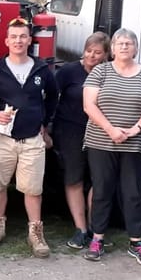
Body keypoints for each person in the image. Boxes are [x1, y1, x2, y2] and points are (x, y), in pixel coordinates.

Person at [80, 29, 141, 266]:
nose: (124, 47)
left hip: (137, 143)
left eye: (129, 43)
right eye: (120, 43)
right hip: (101, 141)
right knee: (102, 190)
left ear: (136, 48)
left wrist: (135, 129)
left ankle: (136, 241)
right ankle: (97, 239)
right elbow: (89, 105)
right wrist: (111, 130)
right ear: (113, 48)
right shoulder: (100, 71)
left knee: (132, 193)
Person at [0, 17, 59, 258]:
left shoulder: (41, 69)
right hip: (1, 139)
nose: (18, 40)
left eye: (22, 36)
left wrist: (44, 123)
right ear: (6, 41)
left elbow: (53, 97)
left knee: (33, 189)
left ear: (29, 40)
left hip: (32, 140)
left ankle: (35, 232)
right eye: (13, 37)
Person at [52, 31, 110, 249]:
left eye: (97, 53)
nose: (91, 56)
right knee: (73, 179)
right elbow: (51, 98)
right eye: (88, 51)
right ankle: (80, 229)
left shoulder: (109, 73)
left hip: (100, 132)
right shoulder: (68, 72)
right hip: (69, 131)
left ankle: (97, 230)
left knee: (99, 180)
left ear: (106, 55)